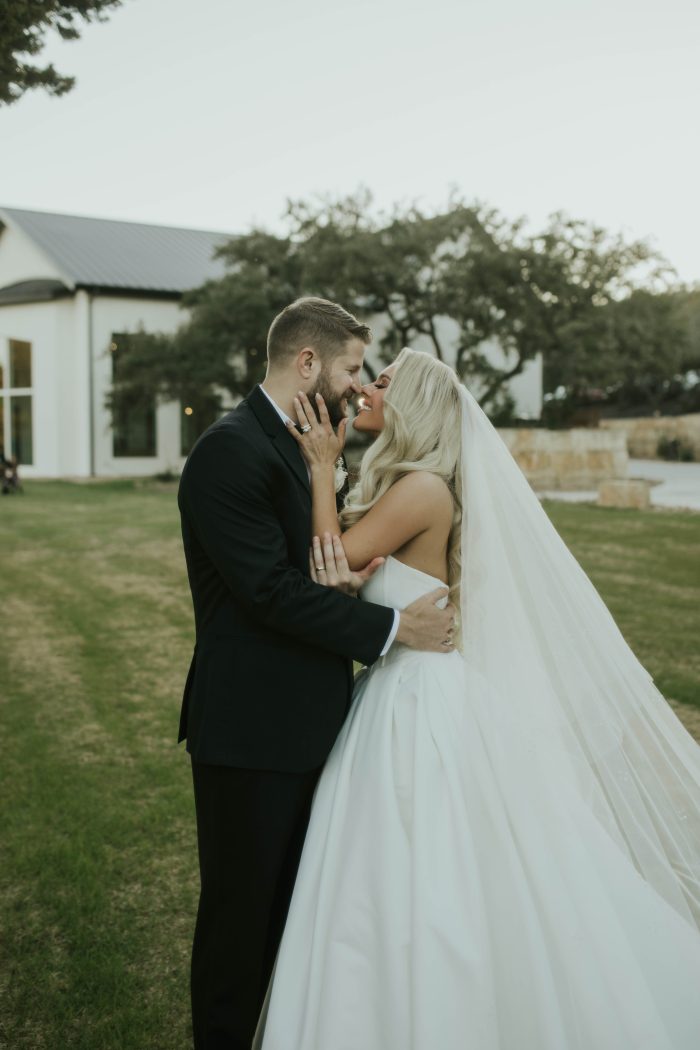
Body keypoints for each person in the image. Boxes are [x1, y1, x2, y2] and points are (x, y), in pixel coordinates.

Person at [253, 347, 700, 1049]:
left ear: (416, 405)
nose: (368, 389)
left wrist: (318, 469)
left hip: (419, 705)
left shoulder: (424, 489)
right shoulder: (408, 483)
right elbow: (340, 564)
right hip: (397, 690)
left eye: (385, 382)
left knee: (433, 865)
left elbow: (326, 565)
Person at [177, 300, 455, 1050]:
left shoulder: (309, 444)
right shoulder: (229, 451)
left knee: (300, 918)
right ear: (308, 364)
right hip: (251, 732)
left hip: (320, 726)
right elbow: (270, 591)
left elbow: (333, 560)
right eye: (353, 367)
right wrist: (395, 625)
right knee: (240, 922)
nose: (360, 387)